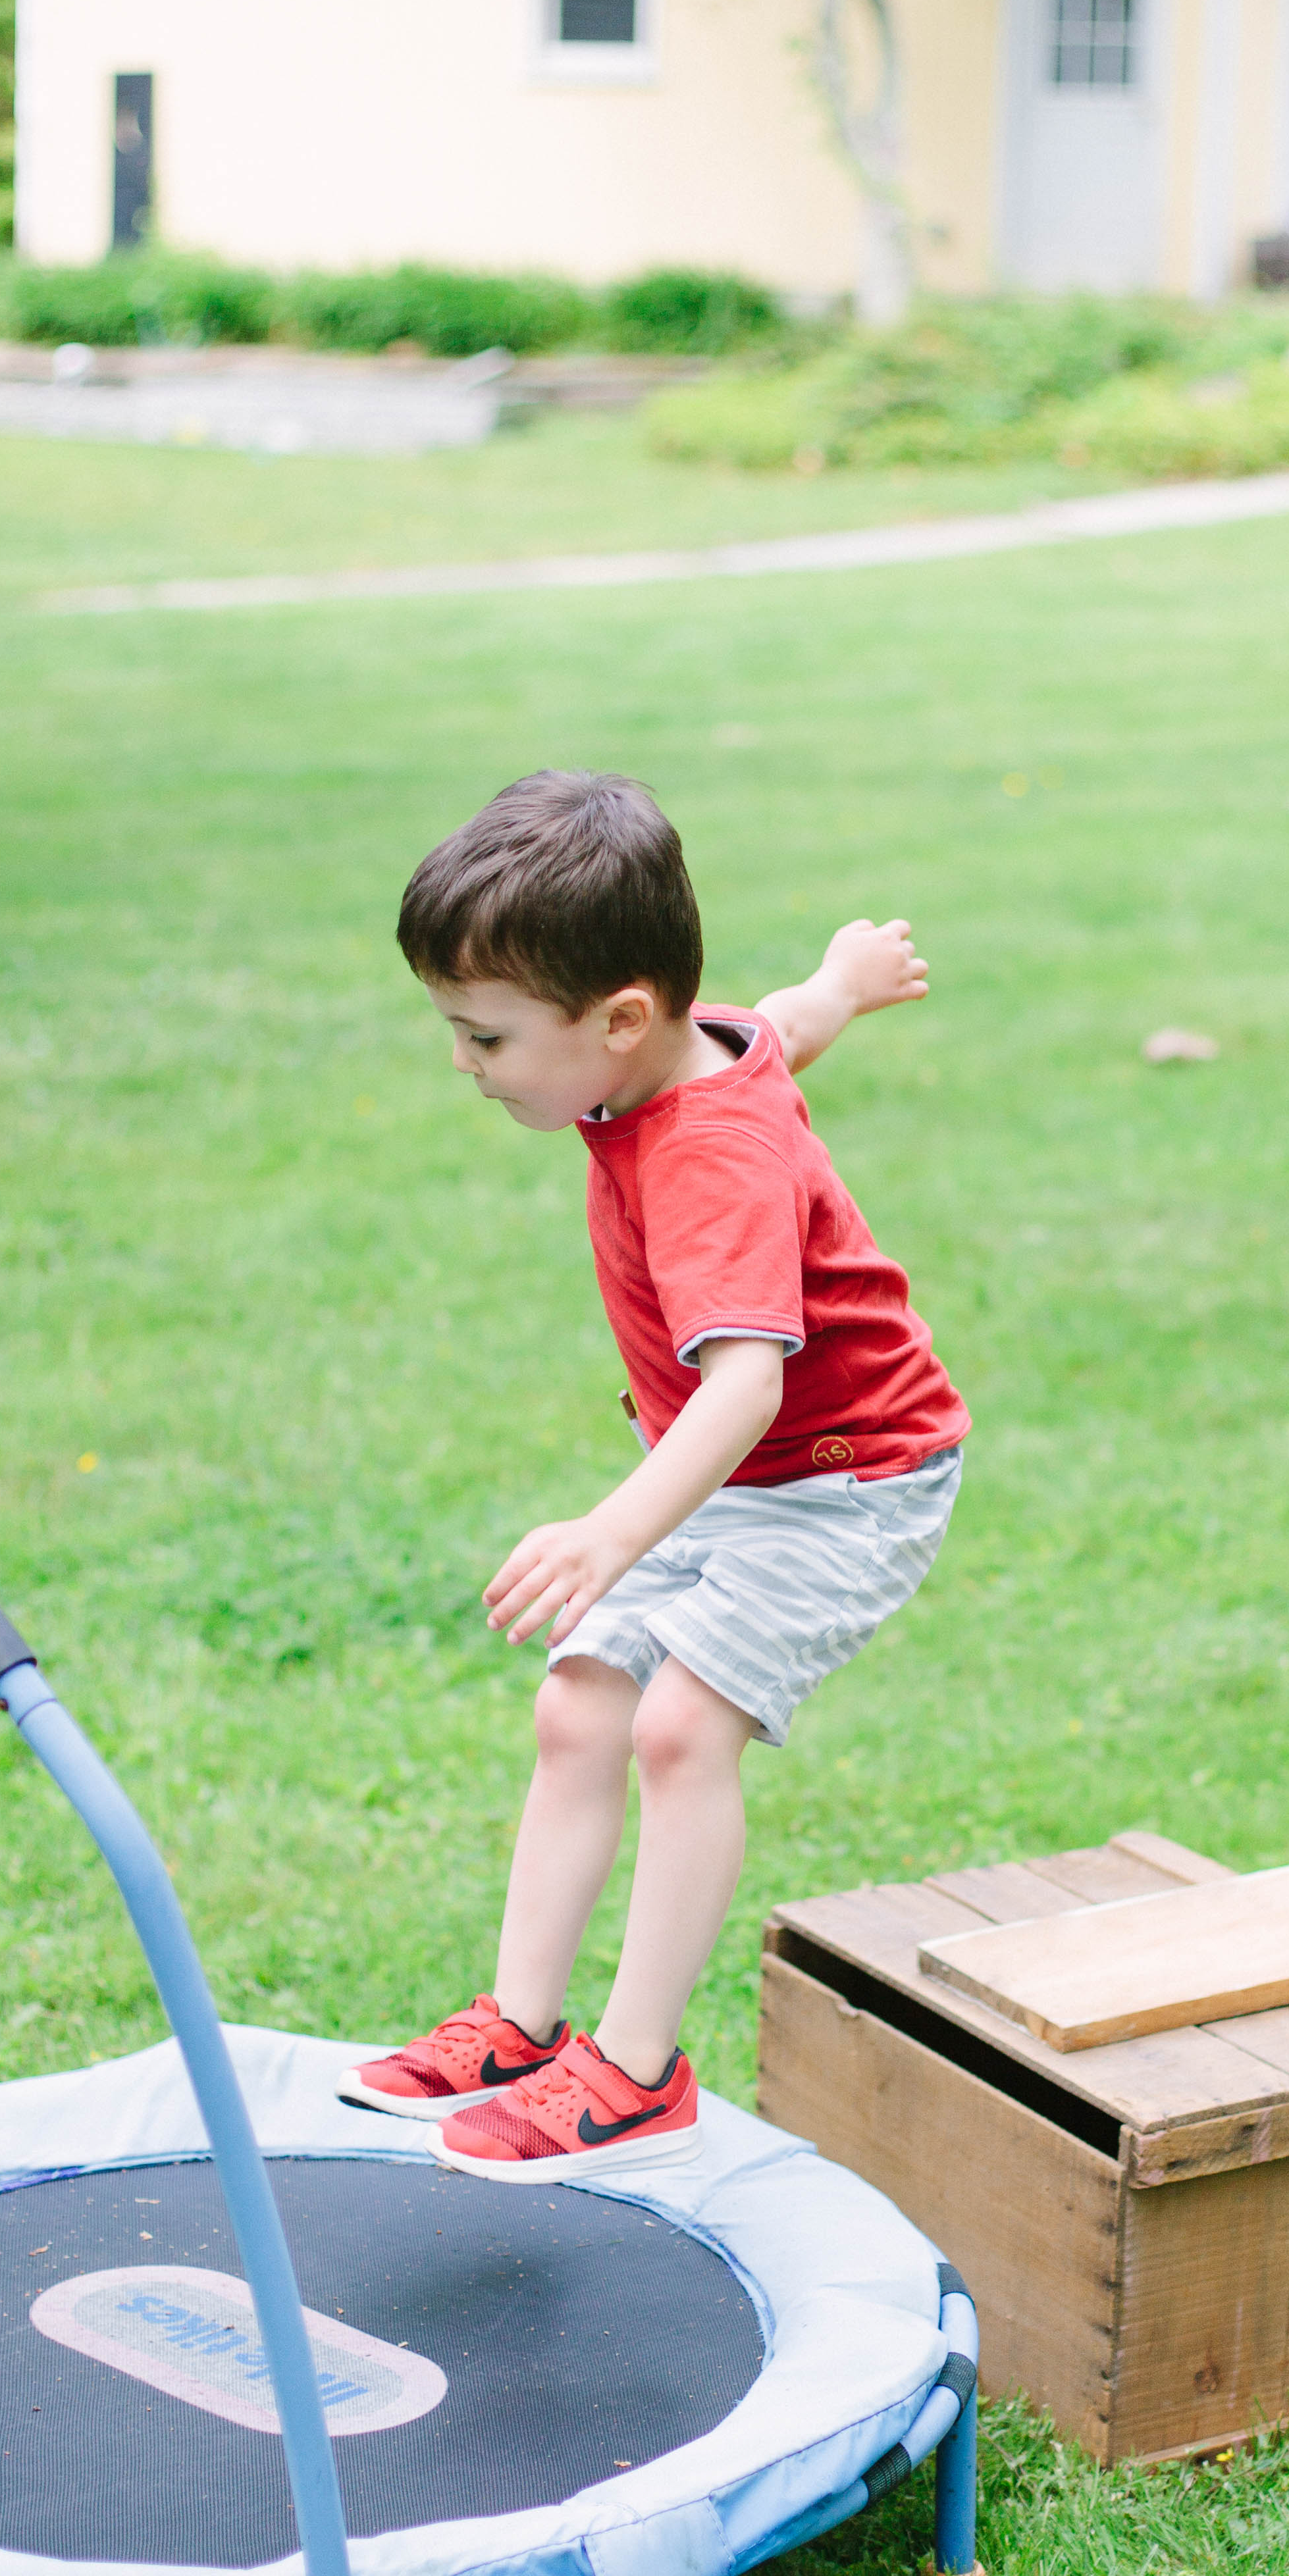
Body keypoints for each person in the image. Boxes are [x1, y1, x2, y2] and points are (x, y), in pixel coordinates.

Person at [344, 769, 968, 2175]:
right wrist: (841, 982)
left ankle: (632, 2072)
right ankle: (518, 2022)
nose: (467, 1063)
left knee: (679, 1733)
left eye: (488, 1037)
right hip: (730, 1473)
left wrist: (613, 1531)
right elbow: (775, 1033)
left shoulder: (708, 1160)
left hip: (844, 1475)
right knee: (581, 1708)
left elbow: (746, 1386)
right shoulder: (680, 1050)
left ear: (618, 1020)